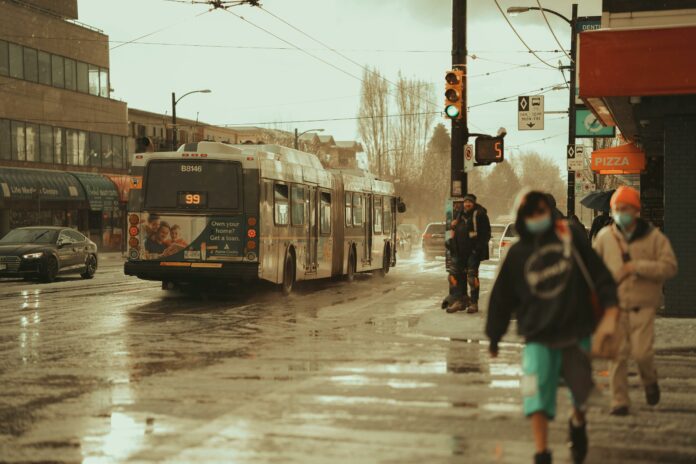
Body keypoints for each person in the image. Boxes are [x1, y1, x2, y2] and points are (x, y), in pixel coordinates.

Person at [486, 191, 619, 464]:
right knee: (536, 396)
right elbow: (502, 298)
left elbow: (599, 274)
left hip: (575, 331)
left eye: (541, 212)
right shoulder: (518, 254)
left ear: (549, 212)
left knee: (580, 393)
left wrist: (611, 310)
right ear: (523, 218)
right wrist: (494, 336)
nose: (537, 219)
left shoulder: (570, 239)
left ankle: (577, 422)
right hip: (538, 336)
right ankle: (541, 451)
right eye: (531, 214)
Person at [593, 186, 678, 416]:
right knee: (617, 355)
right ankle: (619, 401)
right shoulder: (604, 238)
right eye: (617, 209)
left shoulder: (654, 238)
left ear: (636, 210)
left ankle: (650, 381)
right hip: (616, 307)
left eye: (625, 209)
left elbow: (670, 267)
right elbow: (594, 270)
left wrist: (637, 267)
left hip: (643, 306)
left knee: (642, 354)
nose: (621, 213)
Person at [446, 194, 491, 314]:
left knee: (472, 277)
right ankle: (460, 300)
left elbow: (486, 234)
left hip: (473, 252)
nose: (467, 204)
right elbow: (452, 230)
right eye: (466, 202)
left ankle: (474, 302)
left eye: (470, 202)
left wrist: (477, 249)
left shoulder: (480, 214)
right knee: (455, 277)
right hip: (459, 251)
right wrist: (452, 226)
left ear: (474, 203)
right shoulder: (459, 214)